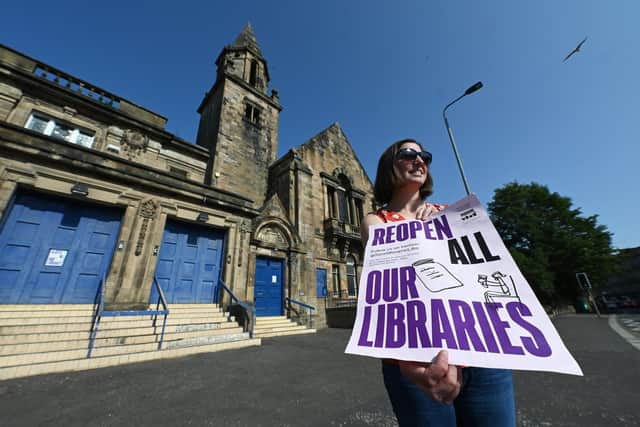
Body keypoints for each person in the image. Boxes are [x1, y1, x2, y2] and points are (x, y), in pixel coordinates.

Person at [361, 139, 516, 427]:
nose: (419, 161)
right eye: (408, 155)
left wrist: (443, 223)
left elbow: (480, 270)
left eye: (425, 156)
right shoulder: (377, 220)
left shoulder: (451, 211)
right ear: (388, 167)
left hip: (482, 353)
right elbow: (391, 282)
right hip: (419, 358)